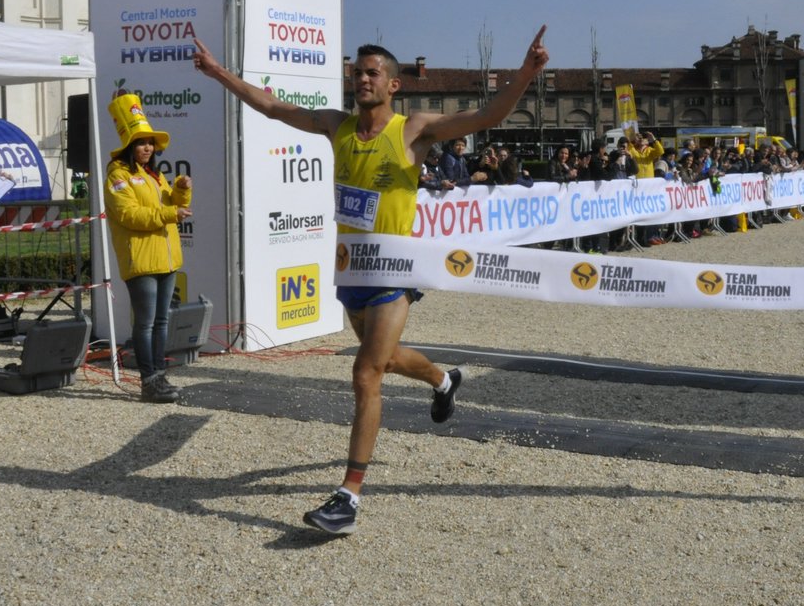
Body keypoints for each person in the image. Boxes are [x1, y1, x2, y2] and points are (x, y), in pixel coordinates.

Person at [193, 26, 550, 535]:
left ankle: (348, 498)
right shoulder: (336, 126)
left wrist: (526, 74)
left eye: (372, 73)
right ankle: (444, 379)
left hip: (392, 273)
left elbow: (487, 116)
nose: (362, 79)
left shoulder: (413, 130)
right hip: (350, 269)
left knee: (365, 374)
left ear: (393, 86)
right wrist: (217, 73)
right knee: (384, 360)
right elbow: (272, 107)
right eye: (357, 73)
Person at [104, 94, 192, 404]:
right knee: (145, 323)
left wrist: (181, 192)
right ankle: (148, 380)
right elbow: (129, 215)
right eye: (142, 143)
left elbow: (171, 205)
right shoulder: (118, 175)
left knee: (161, 321)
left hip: (166, 259)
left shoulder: (154, 175)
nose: (148, 148)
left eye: (151, 143)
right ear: (129, 145)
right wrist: (171, 213)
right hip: (140, 260)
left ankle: (158, 374)